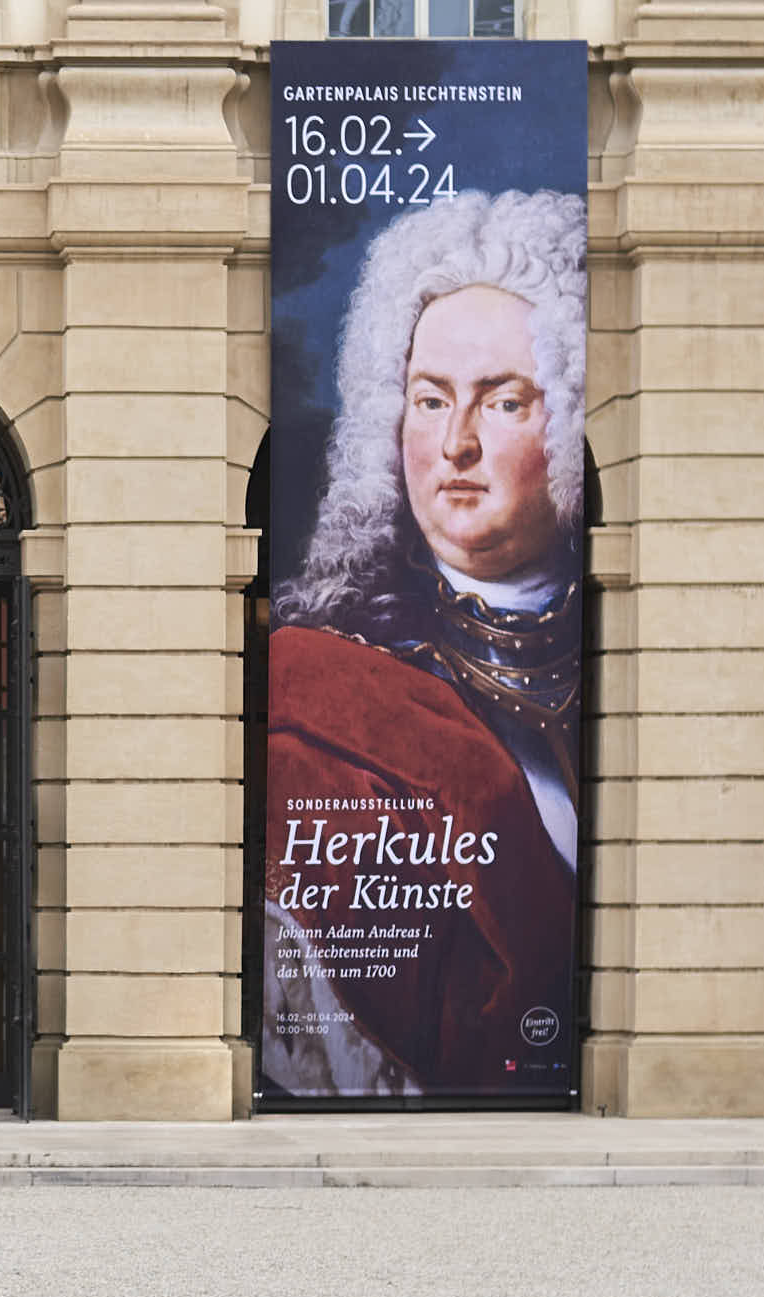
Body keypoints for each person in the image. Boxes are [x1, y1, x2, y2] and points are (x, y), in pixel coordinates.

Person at [264, 189, 586, 1097]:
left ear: (567, 421)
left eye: (505, 401)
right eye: (430, 399)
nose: (457, 443)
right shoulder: (324, 675)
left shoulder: (612, 658)